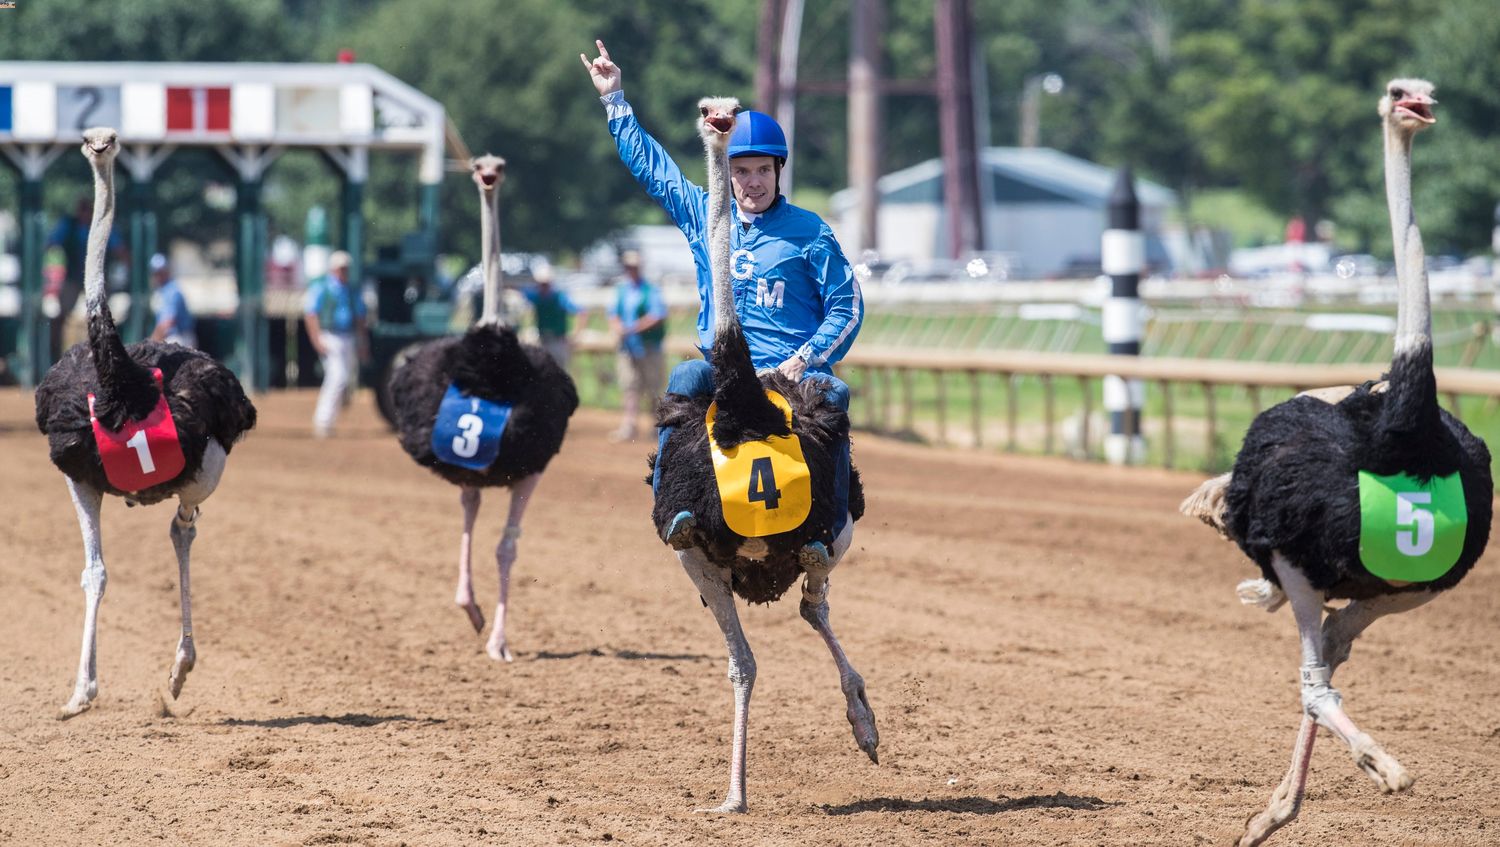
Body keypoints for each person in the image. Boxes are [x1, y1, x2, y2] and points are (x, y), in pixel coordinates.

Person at [582, 39, 863, 552]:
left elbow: (848, 307)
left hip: (791, 375)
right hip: (725, 370)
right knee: (685, 377)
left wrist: (808, 359)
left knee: (836, 395)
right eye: (741, 171)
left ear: (779, 171)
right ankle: (672, 505)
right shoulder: (704, 213)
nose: (751, 182)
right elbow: (653, 167)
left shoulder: (811, 231)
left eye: (762, 170)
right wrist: (614, 99)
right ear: (728, 172)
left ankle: (829, 524)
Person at [46, 196, 127, 360]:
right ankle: (55, 353)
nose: (84, 214)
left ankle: (107, 353)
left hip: (97, 278)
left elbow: (120, 250)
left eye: (88, 210)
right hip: (74, 277)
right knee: (61, 316)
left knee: (103, 316)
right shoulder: (69, 225)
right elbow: (50, 243)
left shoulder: (103, 225)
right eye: (82, 210)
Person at [303, 250, 369, 438]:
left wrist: (362, 342)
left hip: (347, 337)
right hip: (329, 336)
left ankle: (328, 421)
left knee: (344, 378)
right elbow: (311, 314)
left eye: (346, 268)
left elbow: (360, 317)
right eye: (341, 268)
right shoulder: (323, 289)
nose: (344, 272)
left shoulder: (350, 290)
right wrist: (316, 339)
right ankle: (322, 421)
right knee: (337, 377)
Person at [607, 250, 668, 442]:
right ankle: (629, 425)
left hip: (649, 347)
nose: (630, 270)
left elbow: (657, 315)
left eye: (633, 266)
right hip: (628, 347)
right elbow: (613, 313)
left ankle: (654, 427)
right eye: (628, 267)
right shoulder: (621, 290)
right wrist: (618, 328)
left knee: (653, 387)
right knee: (629, 386)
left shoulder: (650, 290)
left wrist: (632, 328)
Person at [523, 265, 579, 370]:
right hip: (543, 340)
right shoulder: (537, 297)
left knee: (558, 372)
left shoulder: (560, 297)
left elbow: (580, 312)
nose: (543, 286)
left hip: (558, 341)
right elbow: (523, 293)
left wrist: (575, 334)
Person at [148, 253, 198, 347]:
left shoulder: (172, 291)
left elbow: (168, 323)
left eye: (161, 272)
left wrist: (151, 342)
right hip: (172, 338)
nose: (158, 276)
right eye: (156, 273)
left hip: (180, 338)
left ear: (167, 271)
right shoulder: (162, 291)